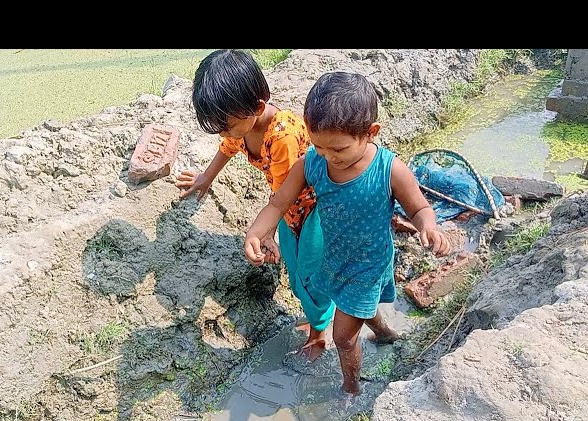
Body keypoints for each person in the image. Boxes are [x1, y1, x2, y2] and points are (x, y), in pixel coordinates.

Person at [244, 71, 452, 395]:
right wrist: (258, 233)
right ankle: (385, 333)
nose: (328, 157)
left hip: (368, 265)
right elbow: (278, 203)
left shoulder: (389, 169)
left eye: (338, 149)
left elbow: (419, 208)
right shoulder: (311, 163)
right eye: (319, 146)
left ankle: (351, 389)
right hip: (334, 257)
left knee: (342, 335)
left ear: (370, 133)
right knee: (355, 311)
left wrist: (429, 227)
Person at [175, 49, 335, 360]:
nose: (224, 132)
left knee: (309, 273)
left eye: (227, 125)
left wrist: (268, 233)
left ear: (257, 107)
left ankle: (320, 332)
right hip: (289, 210)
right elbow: (229, 145)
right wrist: (206, 177)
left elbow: (284, 195)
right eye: (219, 126)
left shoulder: (282, 137)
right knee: (297, 268)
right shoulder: (243, 124)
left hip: (316, 209)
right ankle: (318, 319)